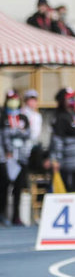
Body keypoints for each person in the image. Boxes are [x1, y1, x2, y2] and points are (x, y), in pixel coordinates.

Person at [0, 90, 31, 226]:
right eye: (11, 99)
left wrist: (16, 132)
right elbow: (4, 136)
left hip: (20, 158)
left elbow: (28, 134)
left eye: (15, 99)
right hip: (6, 158)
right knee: (3, 187)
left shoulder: (23, 117)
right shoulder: (3, 117)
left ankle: (16, 216)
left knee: (18, 188)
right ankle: (2, 214)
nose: (13, 102)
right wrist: (18, 133)